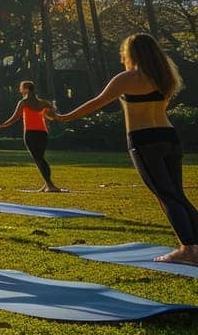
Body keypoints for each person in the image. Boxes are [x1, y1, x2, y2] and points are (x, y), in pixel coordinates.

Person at [54, 33, 195, 265]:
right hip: (169, 136)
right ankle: (193, 247)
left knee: (166, 196)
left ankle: (187, 249)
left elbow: (97, 102)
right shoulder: (165, 78)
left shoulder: (128, 78)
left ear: (131, 54)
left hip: (144, 140)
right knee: (177, 194)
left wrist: (64, 117)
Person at [0, 81, 63, 192]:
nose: (20, 90)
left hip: (30, 133)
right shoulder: (43, 103)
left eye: (21, 88)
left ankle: (50, 185)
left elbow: (15, 117)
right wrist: (52, 109)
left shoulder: (23, 102)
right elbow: (52, 115)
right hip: (42, 133)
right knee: (40, 158)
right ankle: (47, 184)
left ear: (26, 89)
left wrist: (3, 124)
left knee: (38, 159)